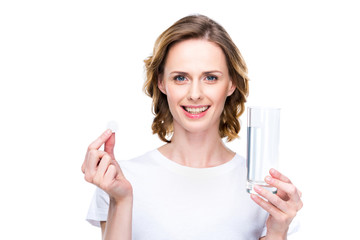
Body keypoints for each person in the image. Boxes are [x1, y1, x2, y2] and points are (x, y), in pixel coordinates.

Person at [82, 14, 303, 240]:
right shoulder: (121, 179)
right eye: (180, 78)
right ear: (161, 83)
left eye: (210, 78)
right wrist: (121, 200)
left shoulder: (261, 191)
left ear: (231, 83)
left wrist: (278, 232)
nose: (195, 94)